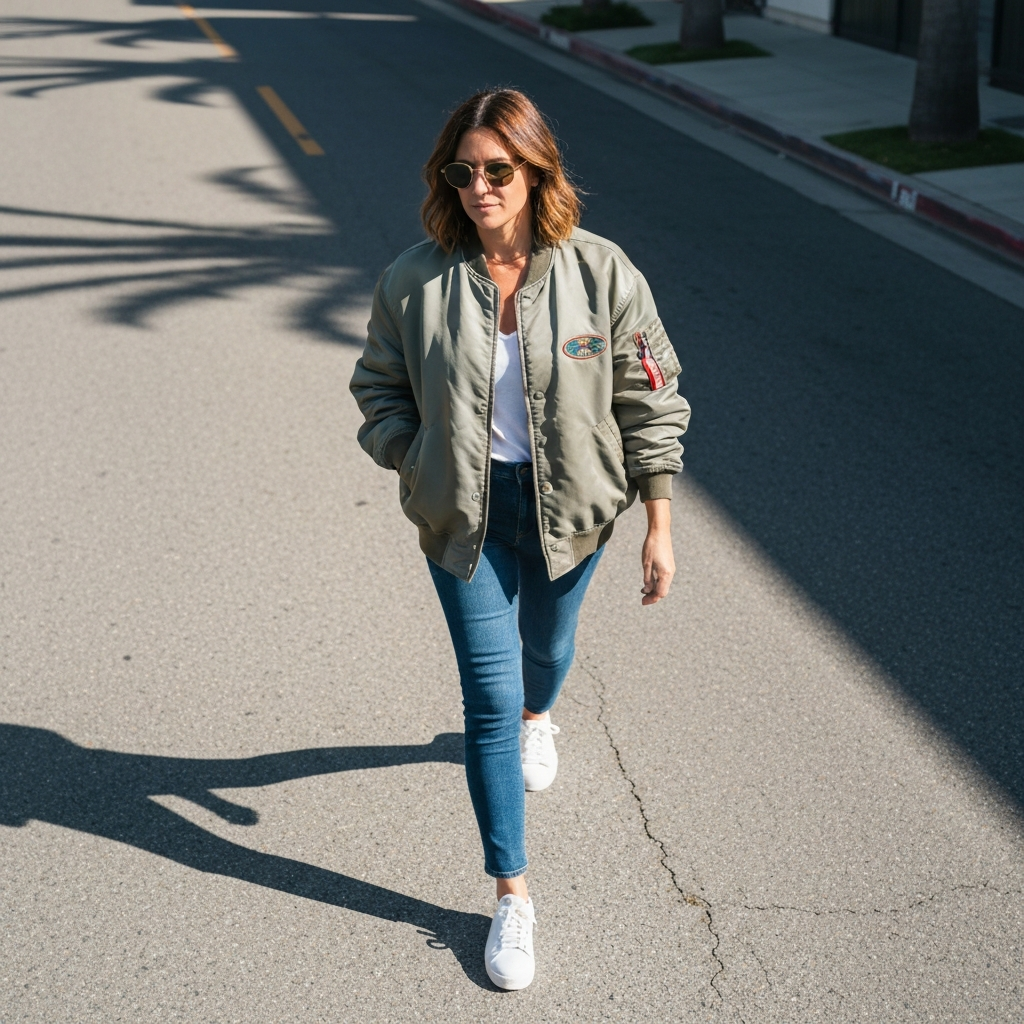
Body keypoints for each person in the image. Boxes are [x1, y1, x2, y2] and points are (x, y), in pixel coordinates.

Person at [350, 88, 690, 990]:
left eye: (497, 170)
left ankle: (545, 716)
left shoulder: (601, 273)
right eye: (461, 172)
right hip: (464, 517)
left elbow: (650, 398)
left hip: (572, 512)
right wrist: (413, 455)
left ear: (537, 171)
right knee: (489, 703)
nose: (478, 187)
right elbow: (375, 387)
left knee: (549, 649)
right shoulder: (414, 279)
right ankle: (512, 894)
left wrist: (659, 522)